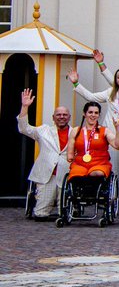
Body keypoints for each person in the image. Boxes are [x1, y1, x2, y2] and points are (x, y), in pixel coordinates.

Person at [70, 52, 119, 215]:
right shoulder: (110, 93)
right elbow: (90, 96)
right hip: (112, 136)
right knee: (113, 169)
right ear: (115, 80)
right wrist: (76, 83)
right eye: (118, 77)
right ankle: (111, 199)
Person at [16, 89, 71, 220]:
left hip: (67, 176)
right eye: (58, 115)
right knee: (40, 214)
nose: (61, 117)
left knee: (65, 214)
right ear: (53, 117)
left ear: (69, 117)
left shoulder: (76, 133)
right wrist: (25, 106)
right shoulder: (43, 130)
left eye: (64, 115)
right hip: (47, 176)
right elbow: (24, 128)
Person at [66, 101, 119, 180]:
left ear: (99, 115)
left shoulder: (104, 131)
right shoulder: (76, 131)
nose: (93, 115)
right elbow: (70, 154)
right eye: (90, 112)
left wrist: (117, 128)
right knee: (76, 176)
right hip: (80, 164)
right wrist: (70, 156)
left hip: (99, 164)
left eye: (96, 113)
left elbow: (118, 146)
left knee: (96, 174)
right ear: (84, 114)